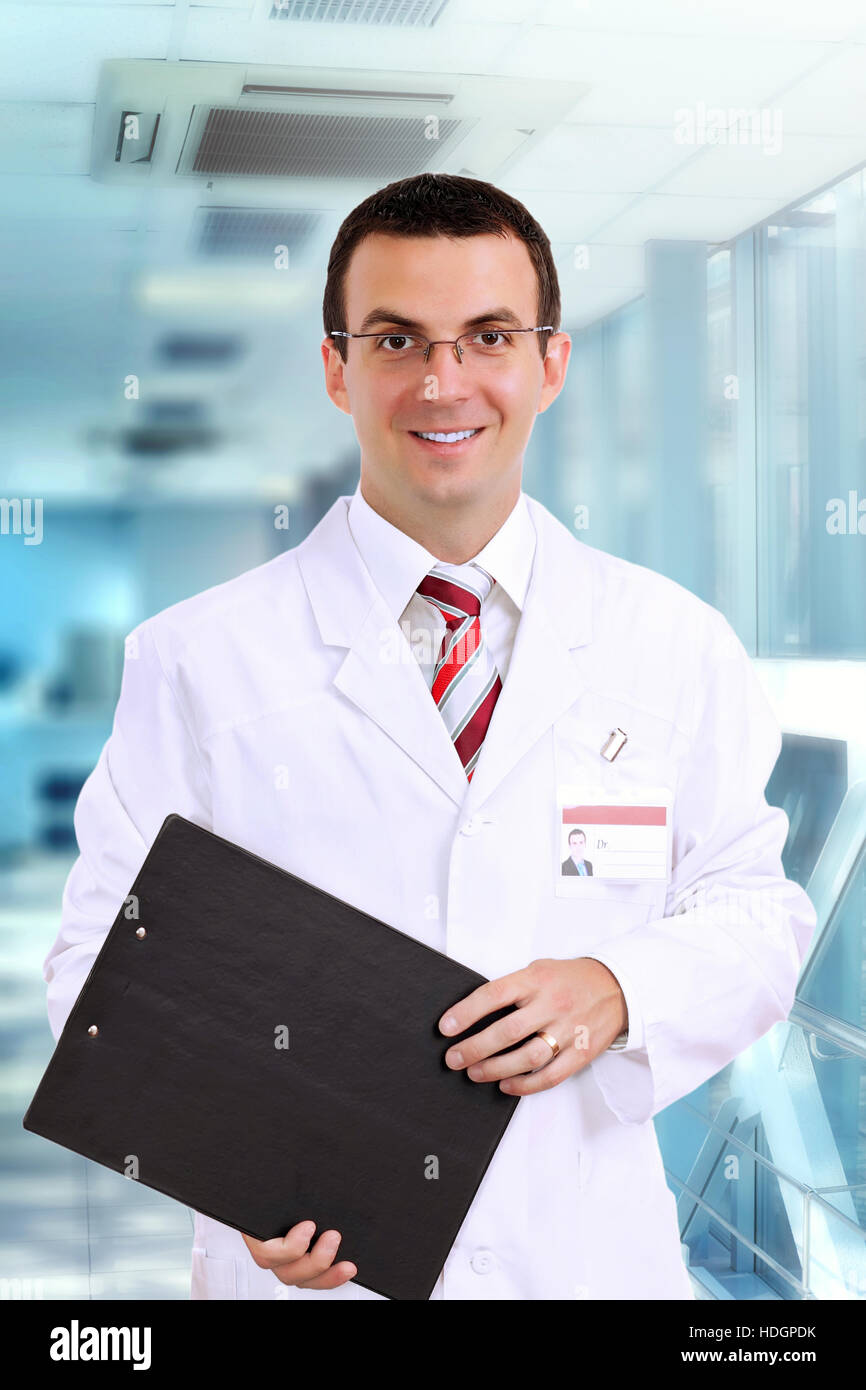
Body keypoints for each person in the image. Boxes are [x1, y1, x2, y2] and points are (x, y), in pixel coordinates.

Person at [42, 172, 816, 1301]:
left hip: (583, 1257)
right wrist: (239, 1168)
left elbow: (758, 913)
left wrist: (619, 982)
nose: (441, 382)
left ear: (550, 363)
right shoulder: (197, 658)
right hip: (311, 1272)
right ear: (335, 367)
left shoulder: (670, 643)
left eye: (487, 336)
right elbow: (97, 969)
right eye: (397, 338)